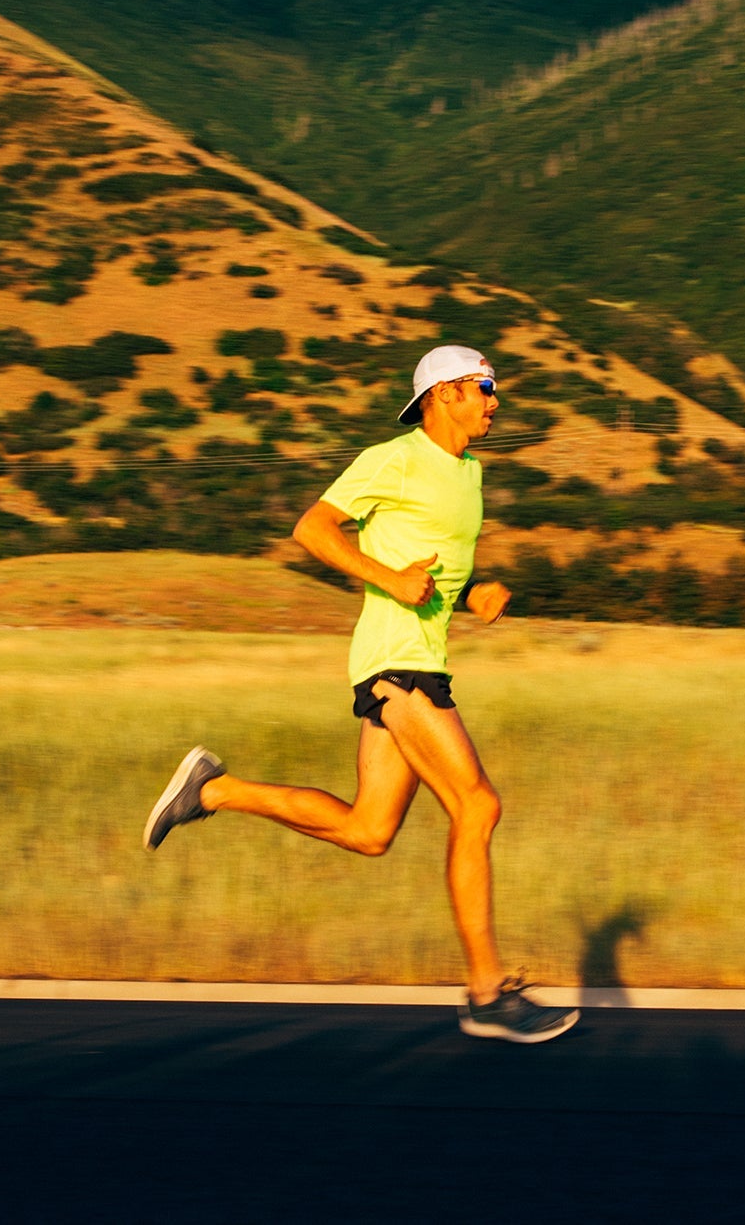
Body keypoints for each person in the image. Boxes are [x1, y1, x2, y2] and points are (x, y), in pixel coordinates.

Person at [142, 343, 578, 1044]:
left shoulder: (470, 474)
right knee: (478, 805)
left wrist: (473, 593)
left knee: (369, 831)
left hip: (424, 659)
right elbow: (312, 529)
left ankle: (213, 790)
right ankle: (487, 994)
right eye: (485, 386)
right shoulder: (393, 459)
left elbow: (437, 566)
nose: (495, 401)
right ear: (443, 393)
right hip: (395, 661)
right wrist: (388, 579)